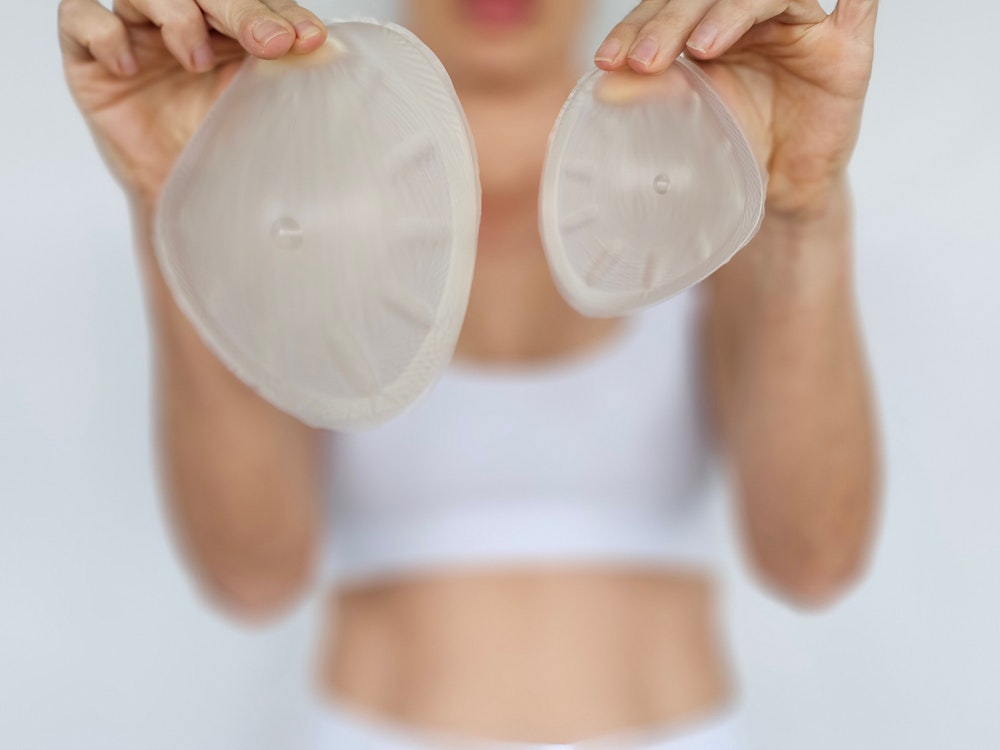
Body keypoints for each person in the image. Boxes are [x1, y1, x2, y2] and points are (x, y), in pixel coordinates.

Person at [57, 0, 882, 747]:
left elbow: (812, 560)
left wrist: (803, 208)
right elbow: (252, 576)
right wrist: (185, 200)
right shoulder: (294, 201)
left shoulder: (712, 172)